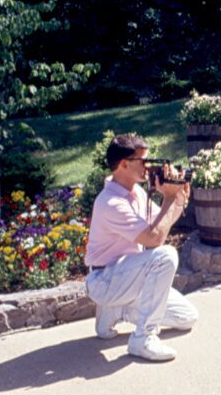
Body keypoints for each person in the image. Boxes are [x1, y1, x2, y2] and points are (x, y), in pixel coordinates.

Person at [85, 134, 198, 362]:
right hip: (105, 280)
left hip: (129, 278)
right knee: (166, 255)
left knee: (187, 317)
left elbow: (160, 225)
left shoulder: (136, 193)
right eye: (144, 161)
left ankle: (116, 310)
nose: (149, 167)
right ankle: (142, 339)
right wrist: (168, 198)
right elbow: (154, 240)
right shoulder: (110, 202)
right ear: (124, 164)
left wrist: (178, 200)